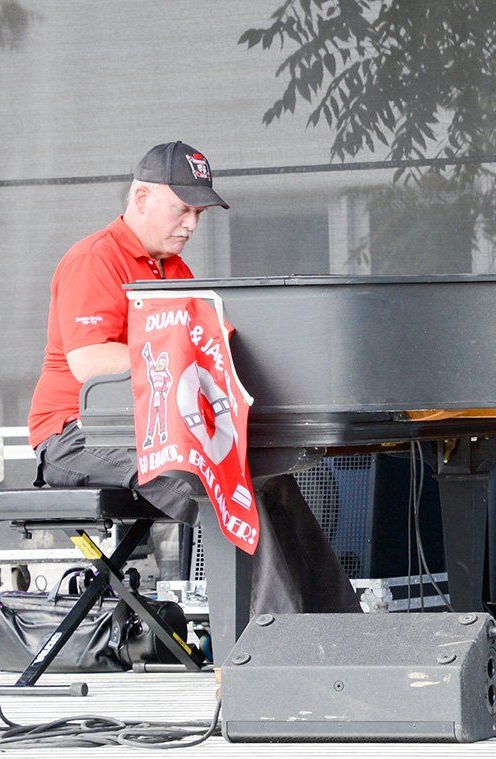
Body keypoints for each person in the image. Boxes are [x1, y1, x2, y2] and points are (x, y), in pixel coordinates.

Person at [28, 141, 358, 614]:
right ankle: (276, 637)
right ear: (141, 198)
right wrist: (182, 359)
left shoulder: (176, 269)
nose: (192, 224)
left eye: (198, 213)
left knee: (272, 476)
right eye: (182, 209)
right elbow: (89, 361)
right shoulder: (94, 259)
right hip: (75, 436)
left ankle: (338, 624)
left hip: (155, 429)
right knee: (213, 481)